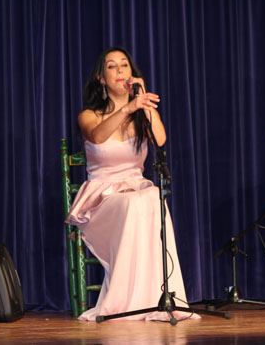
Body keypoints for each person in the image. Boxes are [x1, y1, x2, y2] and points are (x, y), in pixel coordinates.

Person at [65, 46, 198, 321]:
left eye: (124, 65)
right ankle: (125, 302)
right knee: (142, 201)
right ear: (101, 78)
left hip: (135, 192)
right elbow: (98, 138)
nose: (119, 71)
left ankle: (156, 298)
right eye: (112, 66)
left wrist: (142, 101)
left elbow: (160, 139)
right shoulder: (89, 115)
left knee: (151, 197)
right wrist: (127, 108)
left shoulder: (140, 114)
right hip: (102, 199)